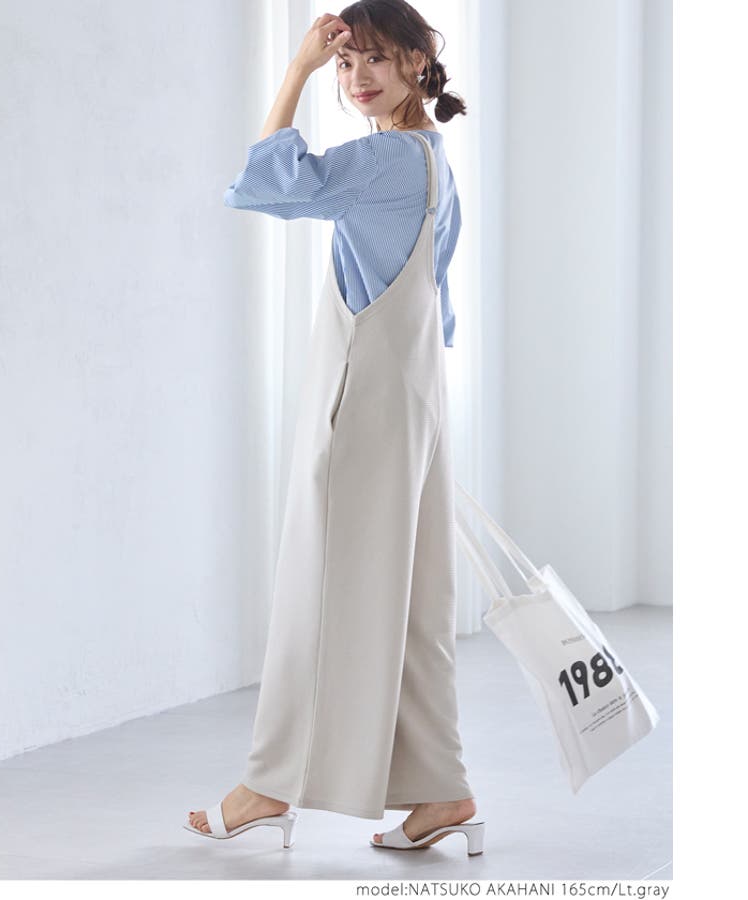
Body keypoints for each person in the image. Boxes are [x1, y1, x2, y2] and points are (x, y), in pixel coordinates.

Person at [185, 0, 485, 854]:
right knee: (413, 603)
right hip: (417, 400)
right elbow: (439, 301)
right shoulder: (433, 158)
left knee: (318, 590)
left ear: (420, 60)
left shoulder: (383, 158)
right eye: (346, 63)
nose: (356, 77)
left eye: (375, 59)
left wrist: (296, 70)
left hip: (365, 401)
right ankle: (442, 790)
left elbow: (268, 184)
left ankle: (266, 785)